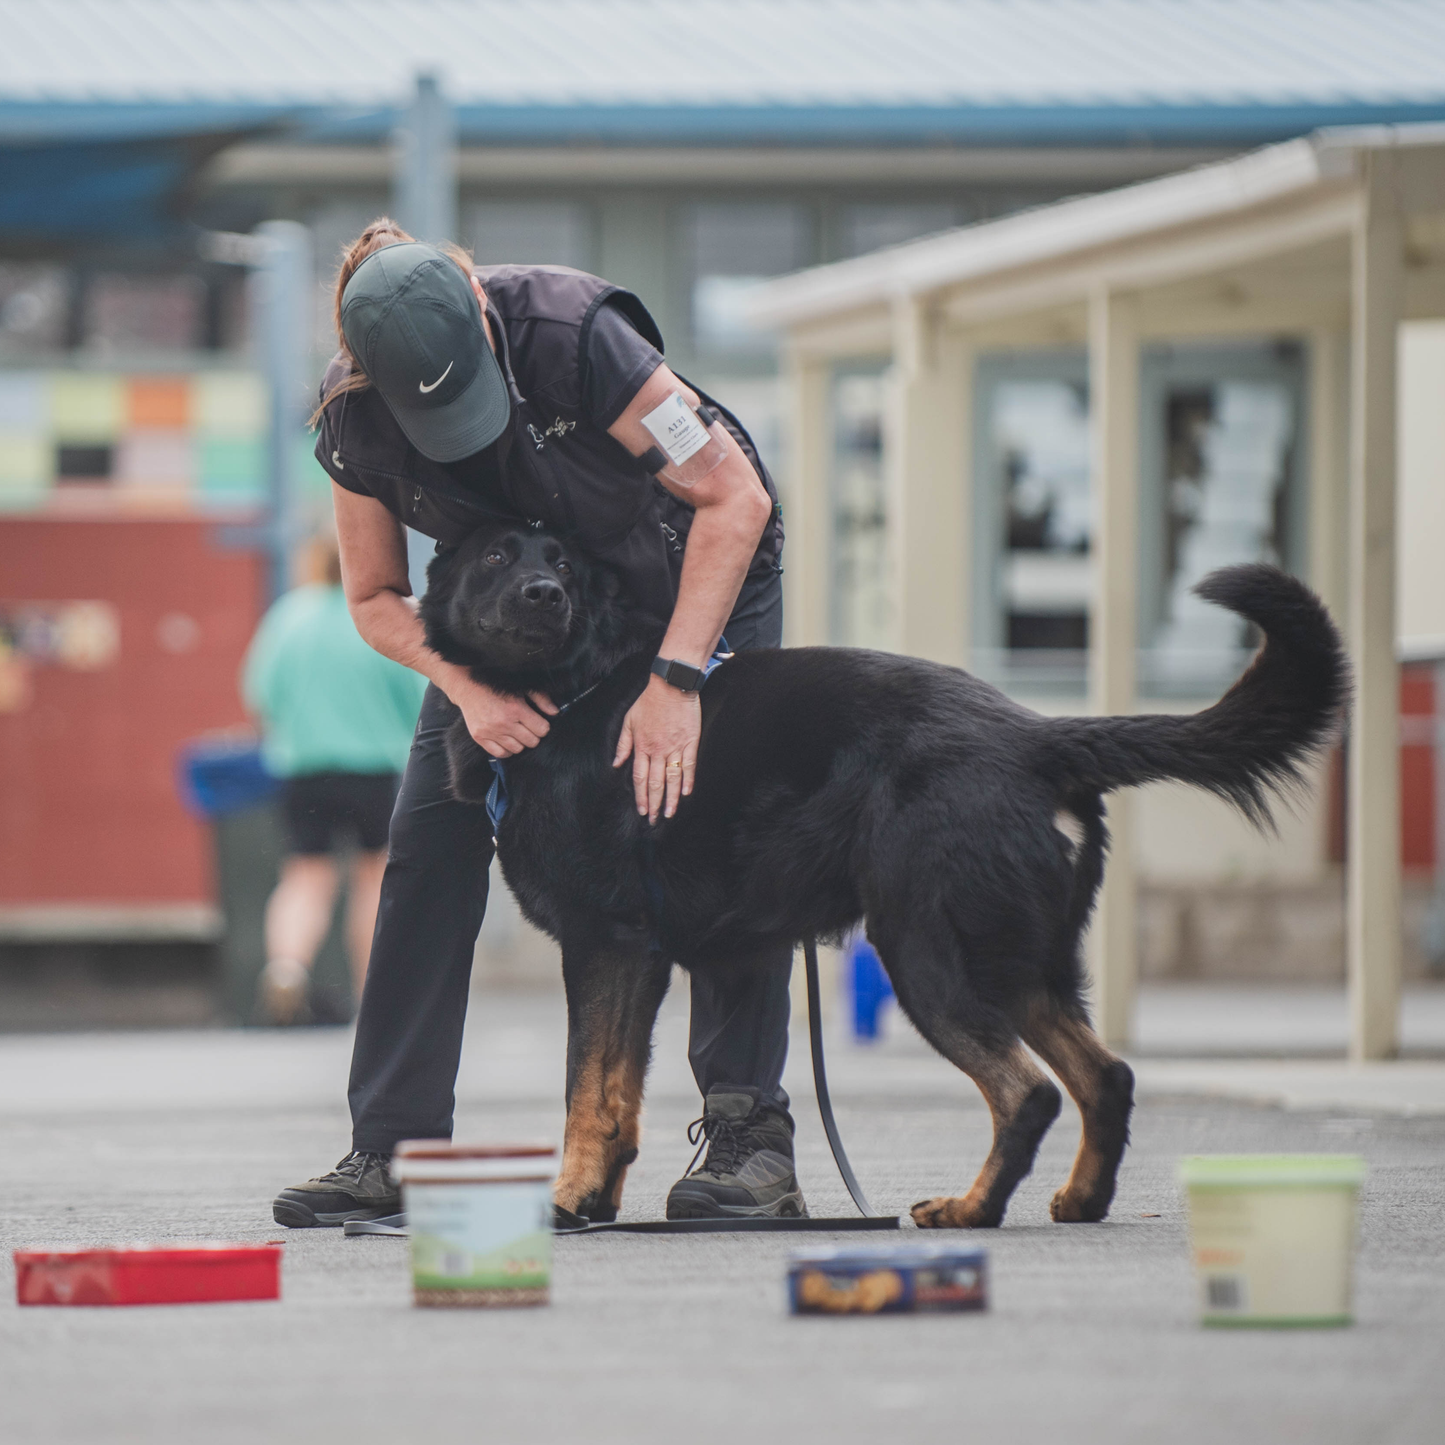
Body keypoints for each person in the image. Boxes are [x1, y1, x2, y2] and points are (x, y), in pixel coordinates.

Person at [271, 218, 800, 1229]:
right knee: (428, 840)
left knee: (715, 830)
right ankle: (392, 1145)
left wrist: (677, 679)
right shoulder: (350, 420)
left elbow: (732, 498)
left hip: (685, 581)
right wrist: (467, 693)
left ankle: (748, 1140)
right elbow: (377, 594)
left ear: (480, 313)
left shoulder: (576, 336)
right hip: (516, 610)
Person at [242, 531, 426, 1024]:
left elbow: (259, 694)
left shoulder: (287, 619)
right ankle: (375, 995)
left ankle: (286, 970)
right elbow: (420, 697)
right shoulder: (382, 621)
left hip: (304, 770)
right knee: (372, 880)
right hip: (373, 768)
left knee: (306, 877)